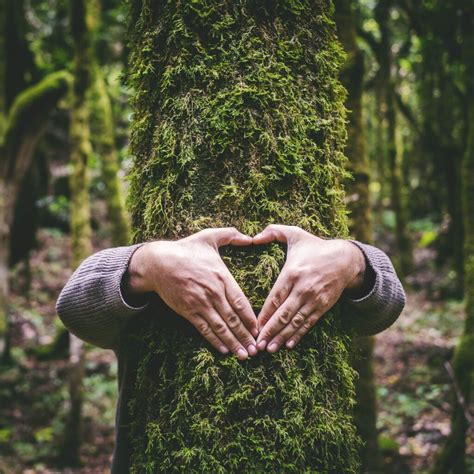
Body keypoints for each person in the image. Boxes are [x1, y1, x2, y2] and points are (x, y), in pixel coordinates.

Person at [56, 224, 405, 471]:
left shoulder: (327, 273)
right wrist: (146, 265)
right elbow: (72, 306)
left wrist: (352, 260)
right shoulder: (150, 285)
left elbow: (387, 306)